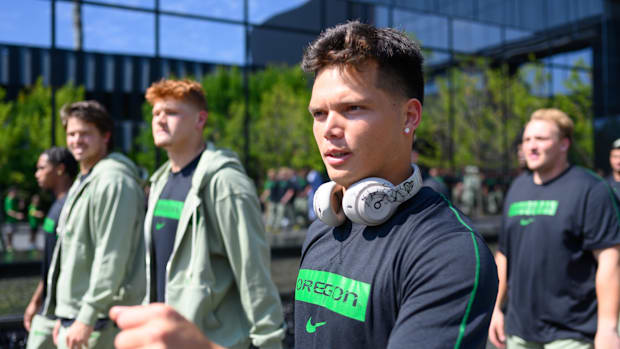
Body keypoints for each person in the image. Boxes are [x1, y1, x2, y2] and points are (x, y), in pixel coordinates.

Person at [111, 21, 498, 349]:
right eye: (318, 112)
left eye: (353, 108)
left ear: (409, 116)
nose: (328, 128)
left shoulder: (450, 252)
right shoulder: (325, 225)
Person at [142, 79, 285, 349]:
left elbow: (252, 269)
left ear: (200, 120)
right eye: (155, 113)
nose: (159, 120)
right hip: (166, 339)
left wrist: (268, 340)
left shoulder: (225, 182)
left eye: (171, 113)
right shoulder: (159, 181)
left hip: (215, 341)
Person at [488, 108, 620, 349]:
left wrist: (608, 328)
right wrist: (495, 308)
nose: (531, 146)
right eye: (527, 139)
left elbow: (609, 261)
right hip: (519, 331)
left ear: (564, 144)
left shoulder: (591, 189)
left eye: (541, 139)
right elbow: (504, 256)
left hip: (572, 333)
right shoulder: (517, 188)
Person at [39, 101, 146, 349]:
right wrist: (62, 314)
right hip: (75, 318)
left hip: (98, 323)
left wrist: (85, 317)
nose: (76, 140)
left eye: (85, 133)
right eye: (71, 134)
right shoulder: (85, 178)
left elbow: (112, 256)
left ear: (106, 136)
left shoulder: (113, 182)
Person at [24, 147, 78, 349]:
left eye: (41, 168)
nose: (37, 174)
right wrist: (36, 300)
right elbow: (52, 263)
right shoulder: (56, 205)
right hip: (49, 307)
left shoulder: (71, 207)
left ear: (60, 169)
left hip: (61, 312)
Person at [3, 186, 24, 251]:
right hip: (9, 220)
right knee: (9, 232)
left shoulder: (14, 200)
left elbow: (20, 207)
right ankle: (8, 246)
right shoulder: (8, 200)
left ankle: (10, 245)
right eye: (14, 192)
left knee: (12, 233)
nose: (15, 194)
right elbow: (9, 211)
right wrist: (17, 215)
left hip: (13, 220)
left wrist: (21, 201)